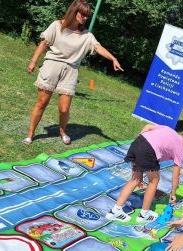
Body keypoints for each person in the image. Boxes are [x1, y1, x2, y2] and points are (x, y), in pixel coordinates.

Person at [23, 0, 123, 145]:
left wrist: (113, 58)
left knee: (64, 109)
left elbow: (97, 47)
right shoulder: (57, 25)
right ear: (74, 12)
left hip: (71, 71)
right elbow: (43, 43)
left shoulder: (86, 35)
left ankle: (63, 131)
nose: (85, 17)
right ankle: (30, 135)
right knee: (41, 103)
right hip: (52, 66)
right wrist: (33, 61)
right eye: (83, 14)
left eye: (87, 15)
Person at [106, 124, 183, 223]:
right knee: (154, 181)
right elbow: (175, 176)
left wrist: (140, 142)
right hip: (148, 151)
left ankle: (115, 211)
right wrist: (173, 193)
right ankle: (144, 214)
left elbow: (148, 126)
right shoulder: (180, 149)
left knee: (135, 179)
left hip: (138, 142)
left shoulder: (169, 130)